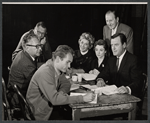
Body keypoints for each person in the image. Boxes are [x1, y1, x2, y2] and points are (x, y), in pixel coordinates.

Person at [26, 45, 95, 120]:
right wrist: (82, 98)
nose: (69, 66)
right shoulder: (46, 72)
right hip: (40, 114)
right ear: (58, 59)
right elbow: (55, 100)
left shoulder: (56, 68)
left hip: (48, 108)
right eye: (67, 62)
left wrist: (61, 93)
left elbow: (66, 83)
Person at [96, 33, 142, 97]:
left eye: (116, 45)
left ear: (124, 45)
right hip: (112, 95)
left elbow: (138, 82)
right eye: (112, 45)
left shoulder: (133, 60)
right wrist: (100, 79)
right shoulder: (111, 60)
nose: (113, 48)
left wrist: (127, 89)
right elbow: (103, 74)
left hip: (128, 97)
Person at [7, 32, 42, 108]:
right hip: (18, 99)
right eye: (37, 46)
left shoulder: (21, 53)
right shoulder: (27, 64)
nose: (40, 48)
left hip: (14, 93)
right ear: (26, 47)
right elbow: (38, 84)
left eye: (40, 45)